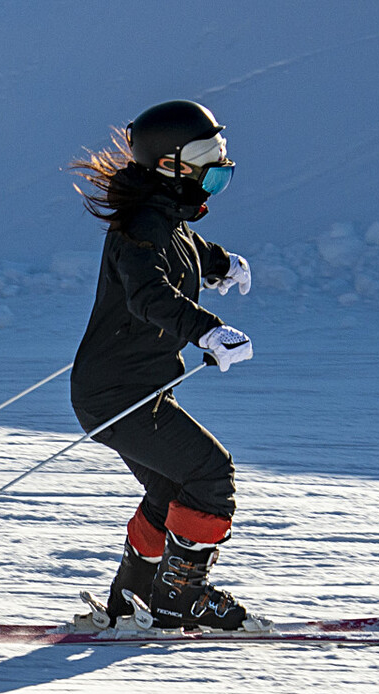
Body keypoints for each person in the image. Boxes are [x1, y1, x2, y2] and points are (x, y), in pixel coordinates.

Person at [68, 100, 257, 631]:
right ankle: (181, 599)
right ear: (171, 166)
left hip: (127, 388)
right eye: (207, 164)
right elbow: (148, 293)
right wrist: (207, 329)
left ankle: (134, 598)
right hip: (119, 394)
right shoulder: (140, 227)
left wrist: (220, 264)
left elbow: (184, 244)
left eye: (221, 163)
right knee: (211, 476)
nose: (215, 175)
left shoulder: (159, 215)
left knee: (172, 489)